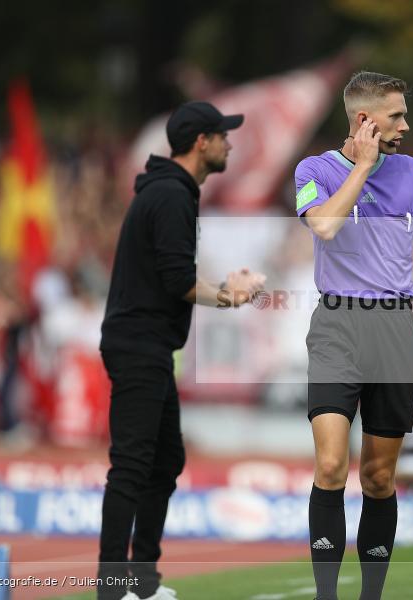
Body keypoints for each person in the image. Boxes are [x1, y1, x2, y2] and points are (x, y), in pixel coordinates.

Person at [295, 71, 413, 600]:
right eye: (396, 116)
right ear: (364, 120)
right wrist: (363, 168)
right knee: (329, 464)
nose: (406, 126)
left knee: (378, 477)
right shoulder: (314, 168)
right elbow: (323, 225)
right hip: (336, 327)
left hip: (393, 327)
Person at [97, 101, 265, 600]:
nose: (229, 143)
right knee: (132, 464)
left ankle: (142, 580)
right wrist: (229, 296)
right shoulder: (172, 194)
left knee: (165, 459)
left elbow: (172, 274)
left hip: (145, 344)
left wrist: (221, 287)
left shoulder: (171, 190)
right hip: (139, 344)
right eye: (223, 136)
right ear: (201, 143)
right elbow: (177, 281)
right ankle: (114, 588)